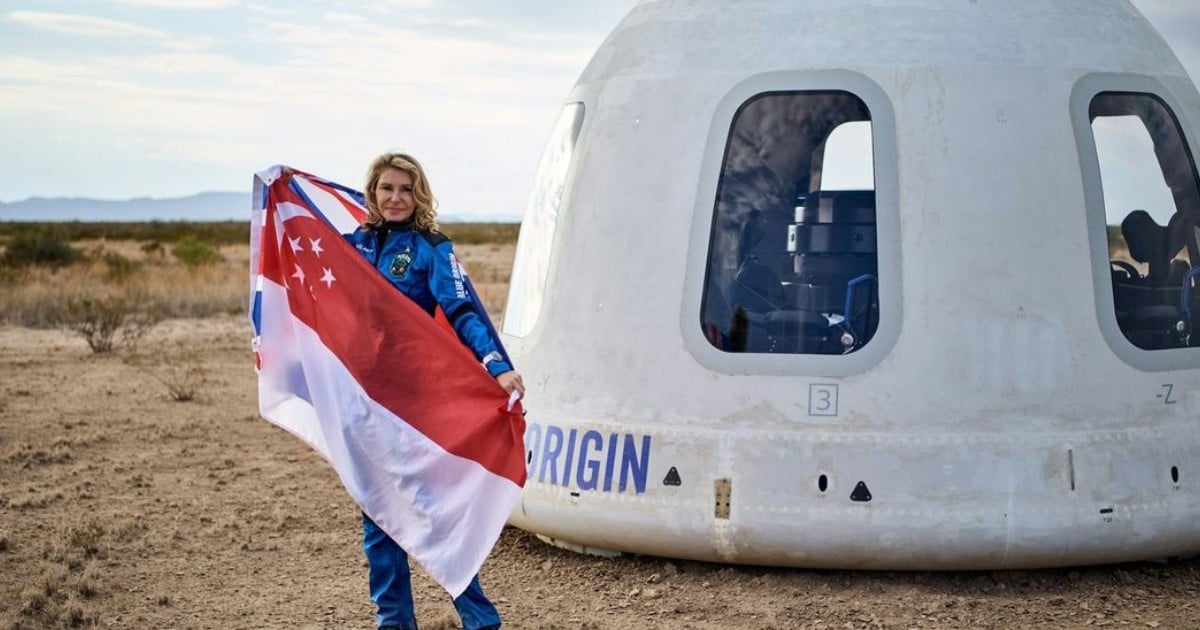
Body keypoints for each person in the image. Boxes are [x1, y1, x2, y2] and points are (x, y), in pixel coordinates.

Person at [345, 152, 524, 630]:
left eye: (405, 189)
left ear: (418, 193)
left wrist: (497, 367)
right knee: (376, 510)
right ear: (373, 193)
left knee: (429, 512)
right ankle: (394, 622)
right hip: (364, 400)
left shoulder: (432, 248)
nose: (396, 198)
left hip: (411, 405)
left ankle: (480, 618)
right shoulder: (353, 246)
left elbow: (462, 311)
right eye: (387, 188)